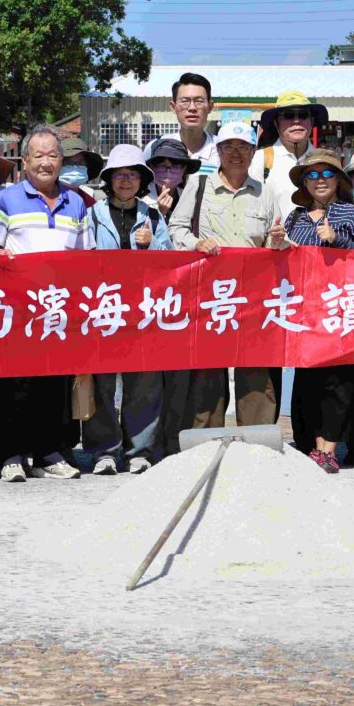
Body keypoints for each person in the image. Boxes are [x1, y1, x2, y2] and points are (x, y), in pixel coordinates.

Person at [0, 125, 92, 482]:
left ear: (62, 160)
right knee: (13, 382)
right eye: (39, 155)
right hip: (15, 310)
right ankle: (10, 454)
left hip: (57, 311)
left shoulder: (77, 201)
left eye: (53, 155)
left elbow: (85, 254)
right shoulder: (6, 198)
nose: (46, 162)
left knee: (52, 384)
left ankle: (48, 453)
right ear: (25, 160)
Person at [169, 121, 285, 429]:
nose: (236, 154)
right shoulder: (198, 185)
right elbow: (176, 229)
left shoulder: (265, 192)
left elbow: (280, 241)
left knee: (256, 372)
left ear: (252, 152)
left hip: (254, 297)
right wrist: (196, 243)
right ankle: (204, 440)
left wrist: (278, 241)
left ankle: (258, 441)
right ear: (218, 151)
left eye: (243, 147)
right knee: (207, 370)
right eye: (228, 147)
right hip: (209, 295)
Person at [269, 149, 354, 473]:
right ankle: (310, 445)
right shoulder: (295, 217)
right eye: (312, 175)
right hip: (305, 314)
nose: (319, 180)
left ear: (338, 180)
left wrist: (338, 239)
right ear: (304, 181)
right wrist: (278, 246)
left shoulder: (351, 213)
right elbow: (286, 262)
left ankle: (328, 449)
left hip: (340, 313)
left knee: (340, 382)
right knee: (307, 383)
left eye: (326, 174)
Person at [83, 145, 172, 475]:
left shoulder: (152, 216)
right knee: (103, 383)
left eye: (133, 175)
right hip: (104, 309)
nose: (126, 180)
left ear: (142, 180)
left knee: (144, 383)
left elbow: (169, 260)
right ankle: (103, 450)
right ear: (108, 179)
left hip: (143, 310)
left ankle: (139, 449)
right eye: (119, 174)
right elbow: (81, 257)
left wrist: (150, 247)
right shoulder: (93, 214)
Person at [144, 137, 203, 458]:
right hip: (148, 302)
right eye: (161, 164)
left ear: (185, 171)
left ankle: (174, 442)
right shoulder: (139, 195)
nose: (168, 171)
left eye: (175, 165)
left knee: (181, 378)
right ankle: (146, 445)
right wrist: (158, 217)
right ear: (150, 169)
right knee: (148, 381)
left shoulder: (195, 197)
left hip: (187, 299)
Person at [250, 91, 325, 208]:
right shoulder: (261, 159)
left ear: (312, 121)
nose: (296, 121)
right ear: (276, 123)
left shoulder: (324, 160)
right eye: (288, 115)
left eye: (303, 115)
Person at [142, 71, 221, 175]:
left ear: (210, 107)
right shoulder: (155, 148)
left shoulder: (222, 150)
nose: (192, 108)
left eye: (199, 101)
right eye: (185, 101)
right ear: (173, 107)